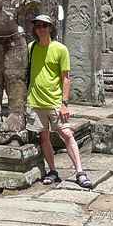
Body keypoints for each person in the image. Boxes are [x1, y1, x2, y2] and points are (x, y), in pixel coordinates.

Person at [25, 14, 93, 189]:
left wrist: (64, 103)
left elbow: (66, 78)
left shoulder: (60, 49)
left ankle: (80, 172)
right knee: (44, 137)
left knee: (67, 135)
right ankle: (53, 171)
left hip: (55, 102)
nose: (40, 29)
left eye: (44, 26)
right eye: (37, 26)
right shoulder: (30, 47)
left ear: (50, 28)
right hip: (35, 101)